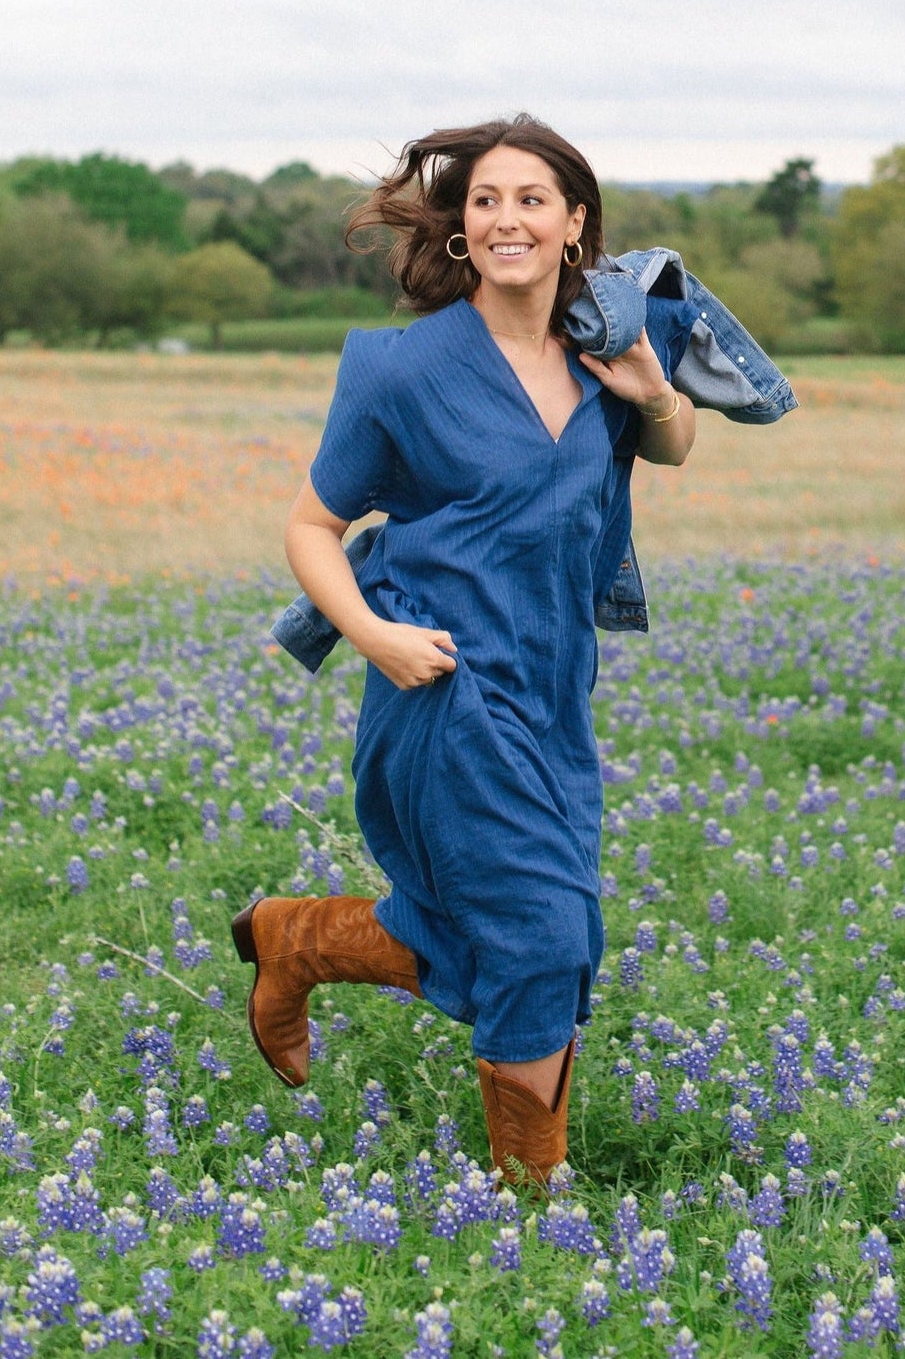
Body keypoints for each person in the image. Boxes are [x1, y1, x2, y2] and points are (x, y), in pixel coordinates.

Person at [231, 115, 696, 1188]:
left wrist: (648, 388)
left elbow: (669, 446)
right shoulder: (400, 371)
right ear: (460, 228)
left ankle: (296, 940)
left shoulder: (606, 343)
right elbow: (311, 527)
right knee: (542, 936)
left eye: (531, 199)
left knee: (512, 923)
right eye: (485, 201)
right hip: (438, 685)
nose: (506, 221)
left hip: (550, 689)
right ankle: (531, 1201)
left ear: (574, 223)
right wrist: (376, 637)